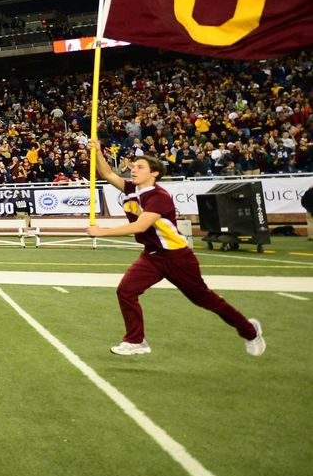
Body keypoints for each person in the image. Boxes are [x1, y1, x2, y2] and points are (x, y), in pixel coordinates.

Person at [88, 140, 265, 357]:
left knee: (205, 299)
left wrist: (101, 232)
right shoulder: (131, 188)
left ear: (154, 174)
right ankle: (136, 341)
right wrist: (96, 151)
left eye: (139, 167)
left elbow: (141, 225)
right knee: (126, 290)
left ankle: (249, 330)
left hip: (177, 256)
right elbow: (107, 174)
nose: (133, 169)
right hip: (151, 256)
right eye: (133, 166)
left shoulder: (158, 197)